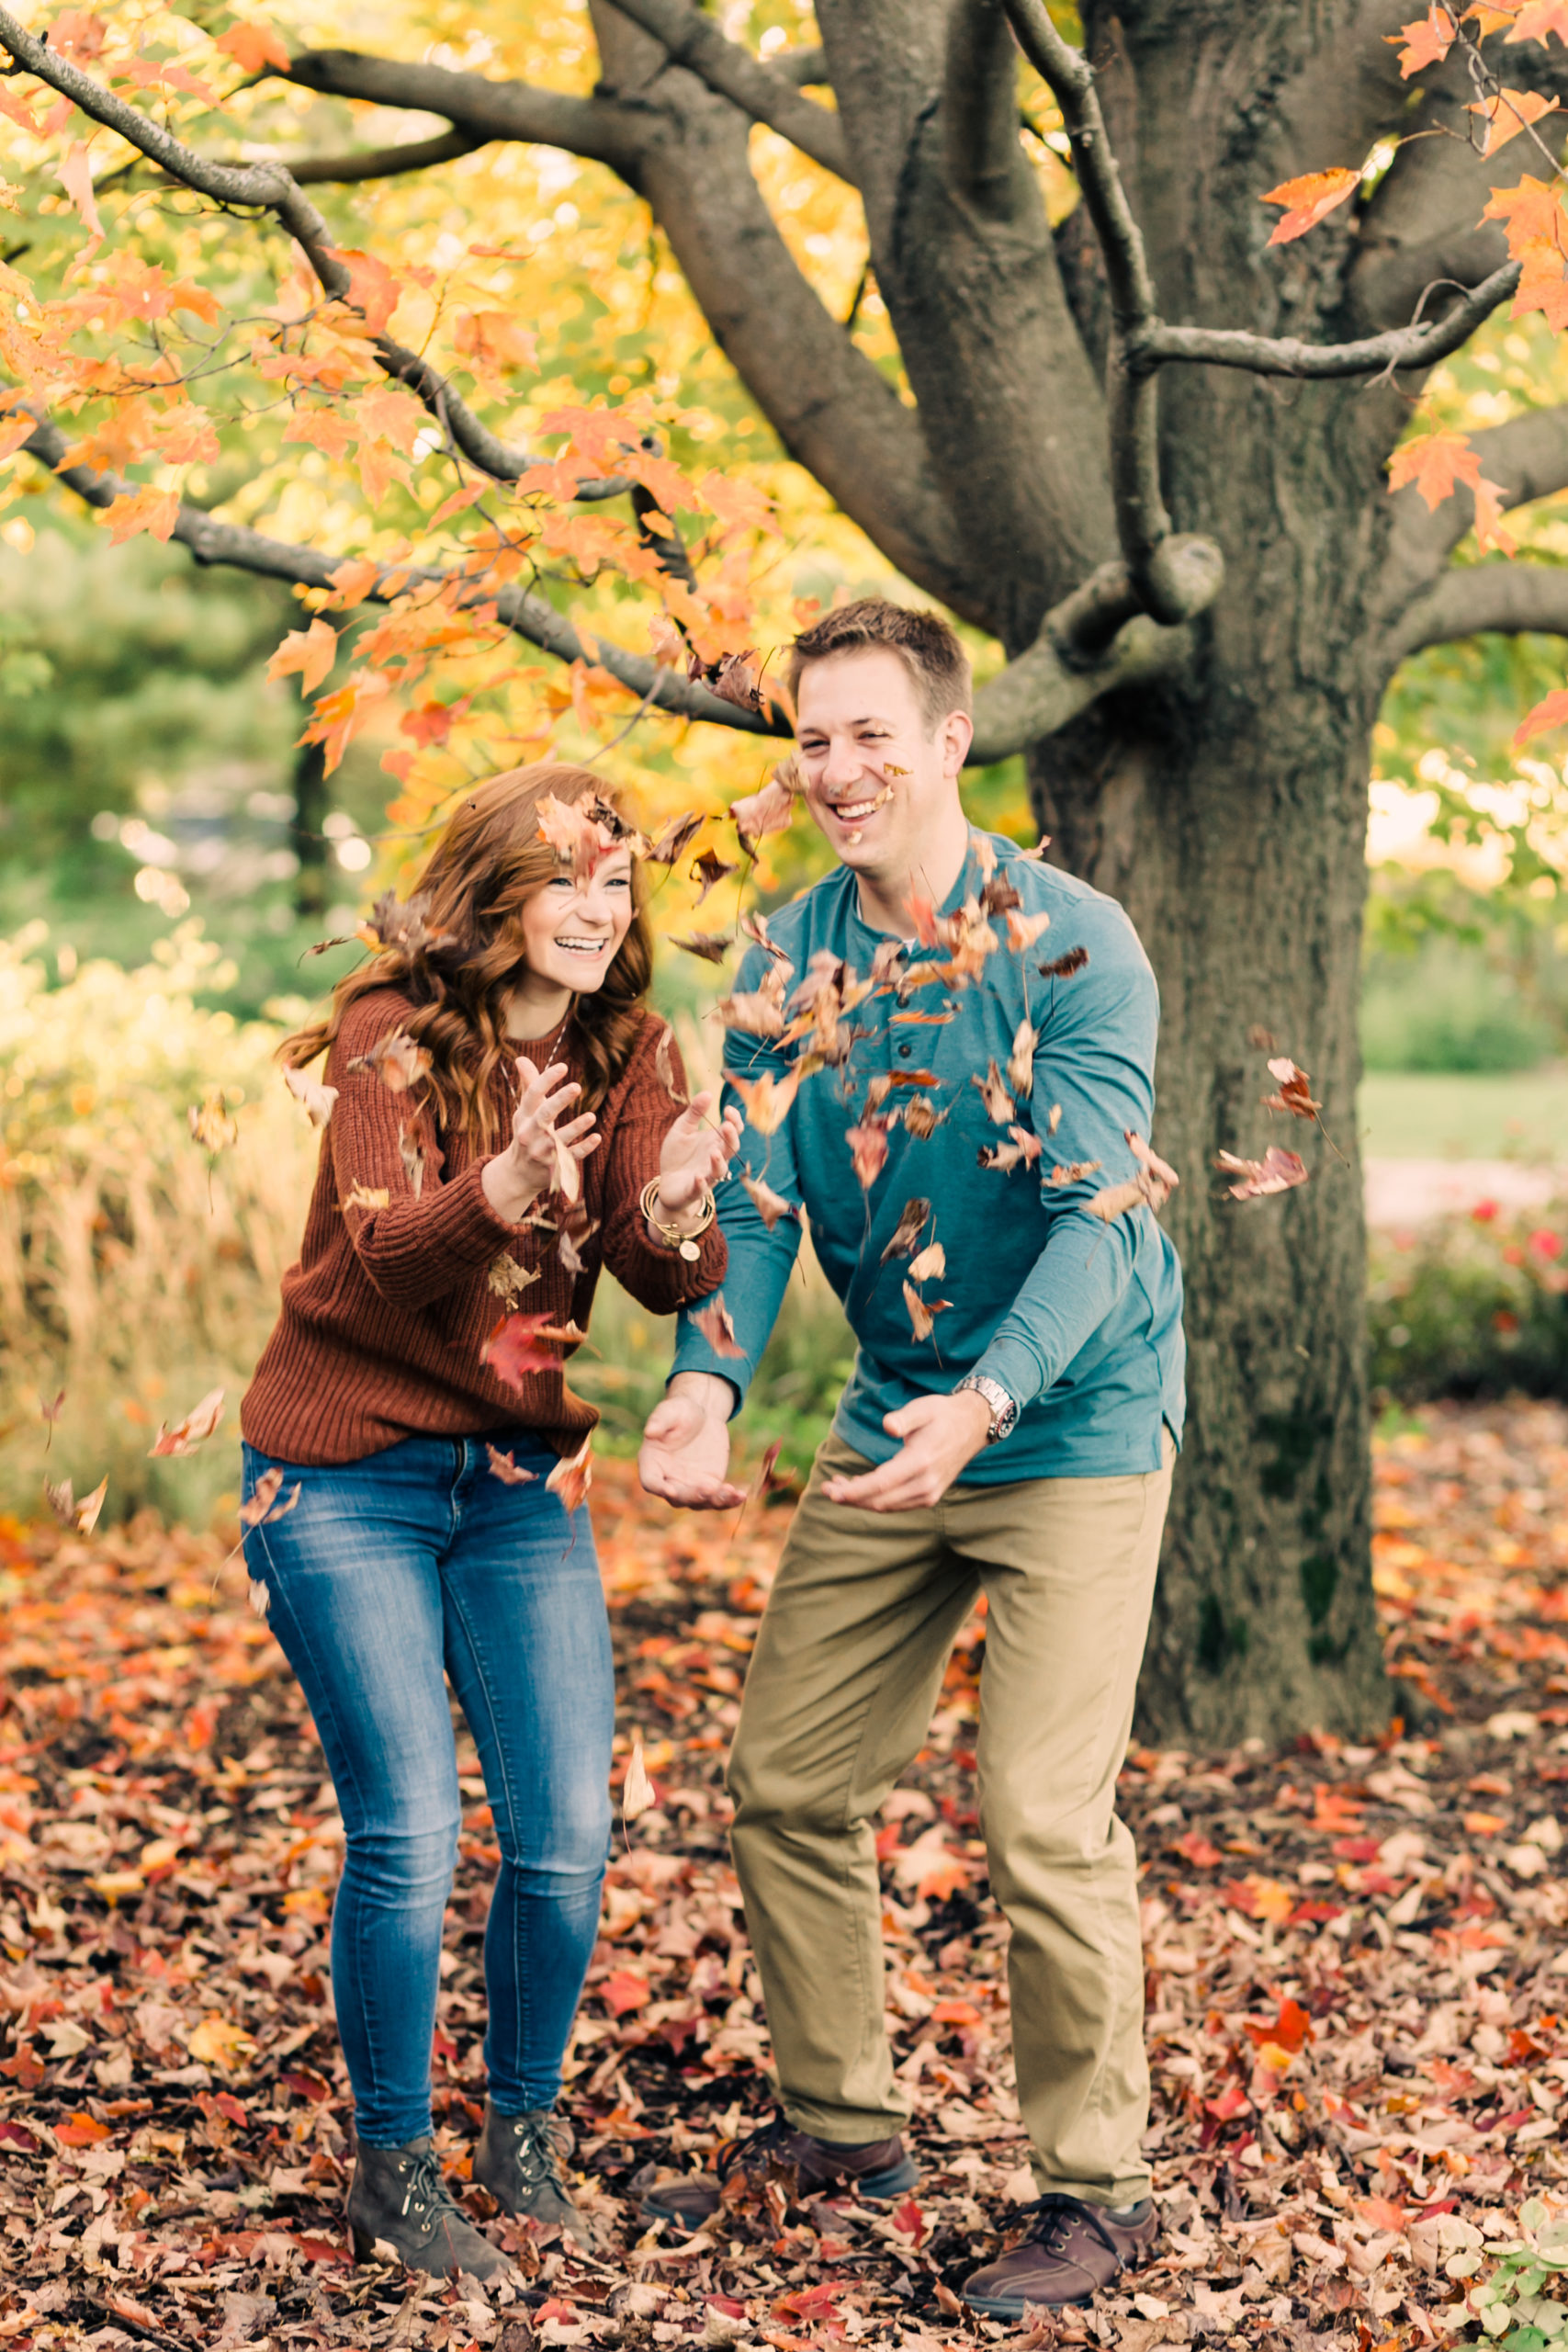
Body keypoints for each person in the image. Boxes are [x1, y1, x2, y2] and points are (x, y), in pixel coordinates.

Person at [637, 602, 1185, 2319]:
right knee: (790, 1782)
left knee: (1038, 1815)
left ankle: (1096, 2191)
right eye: (814, 740)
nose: (840, 770)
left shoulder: (1072, 944)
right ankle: (845, 2126)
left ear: (953, 740)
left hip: (1070, 1422)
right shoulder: (785, 958)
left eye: (875, 734)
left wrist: (993, 1401)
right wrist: (710, 1379)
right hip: (895, 1418)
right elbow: (757, 1198)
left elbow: (1102, 1219)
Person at [240, 763, 739, 2280]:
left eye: (618, 884)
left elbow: (670, 1275)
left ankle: (520, 2133)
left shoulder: (633, 1044)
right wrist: (514, 1181)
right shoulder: (390, 1030)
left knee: (568, 1836)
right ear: (499, 892)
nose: (598, 911)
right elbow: (390, 1256)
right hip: (344, 1476)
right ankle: (393, 2163)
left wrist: (669, 1215)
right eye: (567, 880)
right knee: (408, 1831)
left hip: (515, 1490)